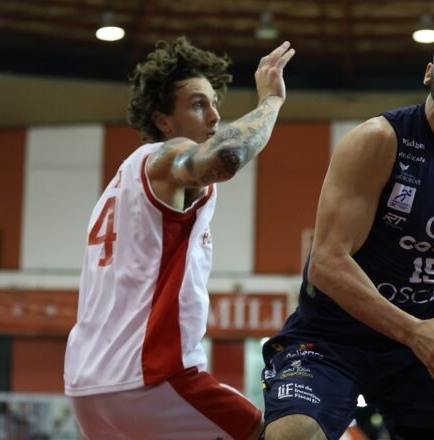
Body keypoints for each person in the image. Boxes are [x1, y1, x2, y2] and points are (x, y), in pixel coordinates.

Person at [260, 29, 434, 440]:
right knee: (295, 435)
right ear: (430, 73)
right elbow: (326, 263)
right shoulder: (378, 140)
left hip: (423, 346)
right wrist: (412, 331)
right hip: (331, 338)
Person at [63, 37, 295, 440]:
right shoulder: (169, 157)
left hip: (86, 388)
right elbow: (225, 158)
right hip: (147, 377)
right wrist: (270, 103)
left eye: (213, 103)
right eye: (198, 104)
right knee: (278, 435)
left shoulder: (117, 188)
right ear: (163, 120)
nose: (214, 116)